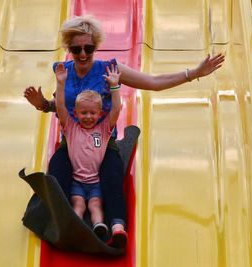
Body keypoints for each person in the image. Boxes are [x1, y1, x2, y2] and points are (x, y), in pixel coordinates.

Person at [24, 15, 225, 248]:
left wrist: (194, 73)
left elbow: (153, 82)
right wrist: (41, 104)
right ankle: (62, 223)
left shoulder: (109, 69)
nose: (82, 54)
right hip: (72, 141)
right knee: (56, 174)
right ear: (69, 48)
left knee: (112, 173)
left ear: (95, 46)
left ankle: (116, 226)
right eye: (76, 48)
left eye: (88, 48)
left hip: (101, 140)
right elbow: (59, 106)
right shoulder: (62, 72)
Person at [53, 61, 122, 241]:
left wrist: (114, 87)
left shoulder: (104, 130)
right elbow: (60, 107)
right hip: (76, 180)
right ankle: (76, 226)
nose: (88, 117)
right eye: (83, 113)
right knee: (78, 204)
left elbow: (116, 109)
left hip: (95, 181)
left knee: (95, 204)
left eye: (92, 113)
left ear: (100, 114)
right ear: (75, 113)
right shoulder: (71, 127)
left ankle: (99, 226)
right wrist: (61, 84)